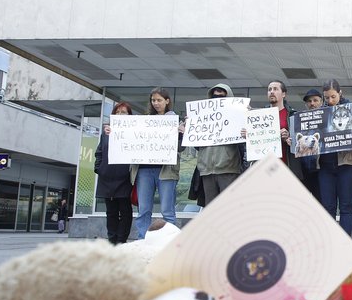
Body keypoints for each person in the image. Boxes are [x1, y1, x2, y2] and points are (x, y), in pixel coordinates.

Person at [130, 87, 184, 239]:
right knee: (144, 209)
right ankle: (142, 239)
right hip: (144, 170)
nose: (156, 103)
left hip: (166, 171)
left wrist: (181, 134)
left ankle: (169, 242)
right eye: (153, 100)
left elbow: (181, 148)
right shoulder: (144, 121)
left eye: (159, 100)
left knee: (167, 210)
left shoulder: (175, 121)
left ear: (167, 101)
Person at [318, 79, 352, 236]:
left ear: (340, 93)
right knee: (328, 206)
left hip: (347, 164)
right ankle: (332, 243)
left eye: (333, 97)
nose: (330, 101)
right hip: (325, 166)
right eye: (327, 97)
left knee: (346, 206)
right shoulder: (319, 113)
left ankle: (346, 244)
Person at [196, 84, 242, 206]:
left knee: (228, 208)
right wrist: (191, 128)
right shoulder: (203, 117)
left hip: (228, 168)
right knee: (211, 209)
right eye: (215, 97)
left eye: (221, 98)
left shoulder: (236, 116)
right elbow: (196, 144)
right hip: (207, 169)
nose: (217, 100)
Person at [95, 102, 133, 244]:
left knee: (125, 211)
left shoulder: (134, 132)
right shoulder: (106, 132)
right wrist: (99, 168)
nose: (120, 115)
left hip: (124, 177)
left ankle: (121, 239)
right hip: (107, 176)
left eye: (124, 112)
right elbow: (99, 152)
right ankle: (112, 240)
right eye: (118, 112)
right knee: (111, 212)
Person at [267, 80, 303, 179]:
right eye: (269, 89)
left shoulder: (293, 115)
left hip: (287, 166)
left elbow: (301, 142)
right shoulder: (260, 115)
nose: (272, 92)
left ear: (283, 94)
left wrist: (289, 136)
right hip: (266, 168)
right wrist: (248, 135)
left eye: (275, 89)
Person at [299, 88, 323, 201]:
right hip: (303, 170)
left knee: (321, 203)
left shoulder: (327, 119)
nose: (312, 103)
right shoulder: (298, 121)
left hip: (322, 170)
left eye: (315, 100)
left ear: (321, 102)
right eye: (309, 101)